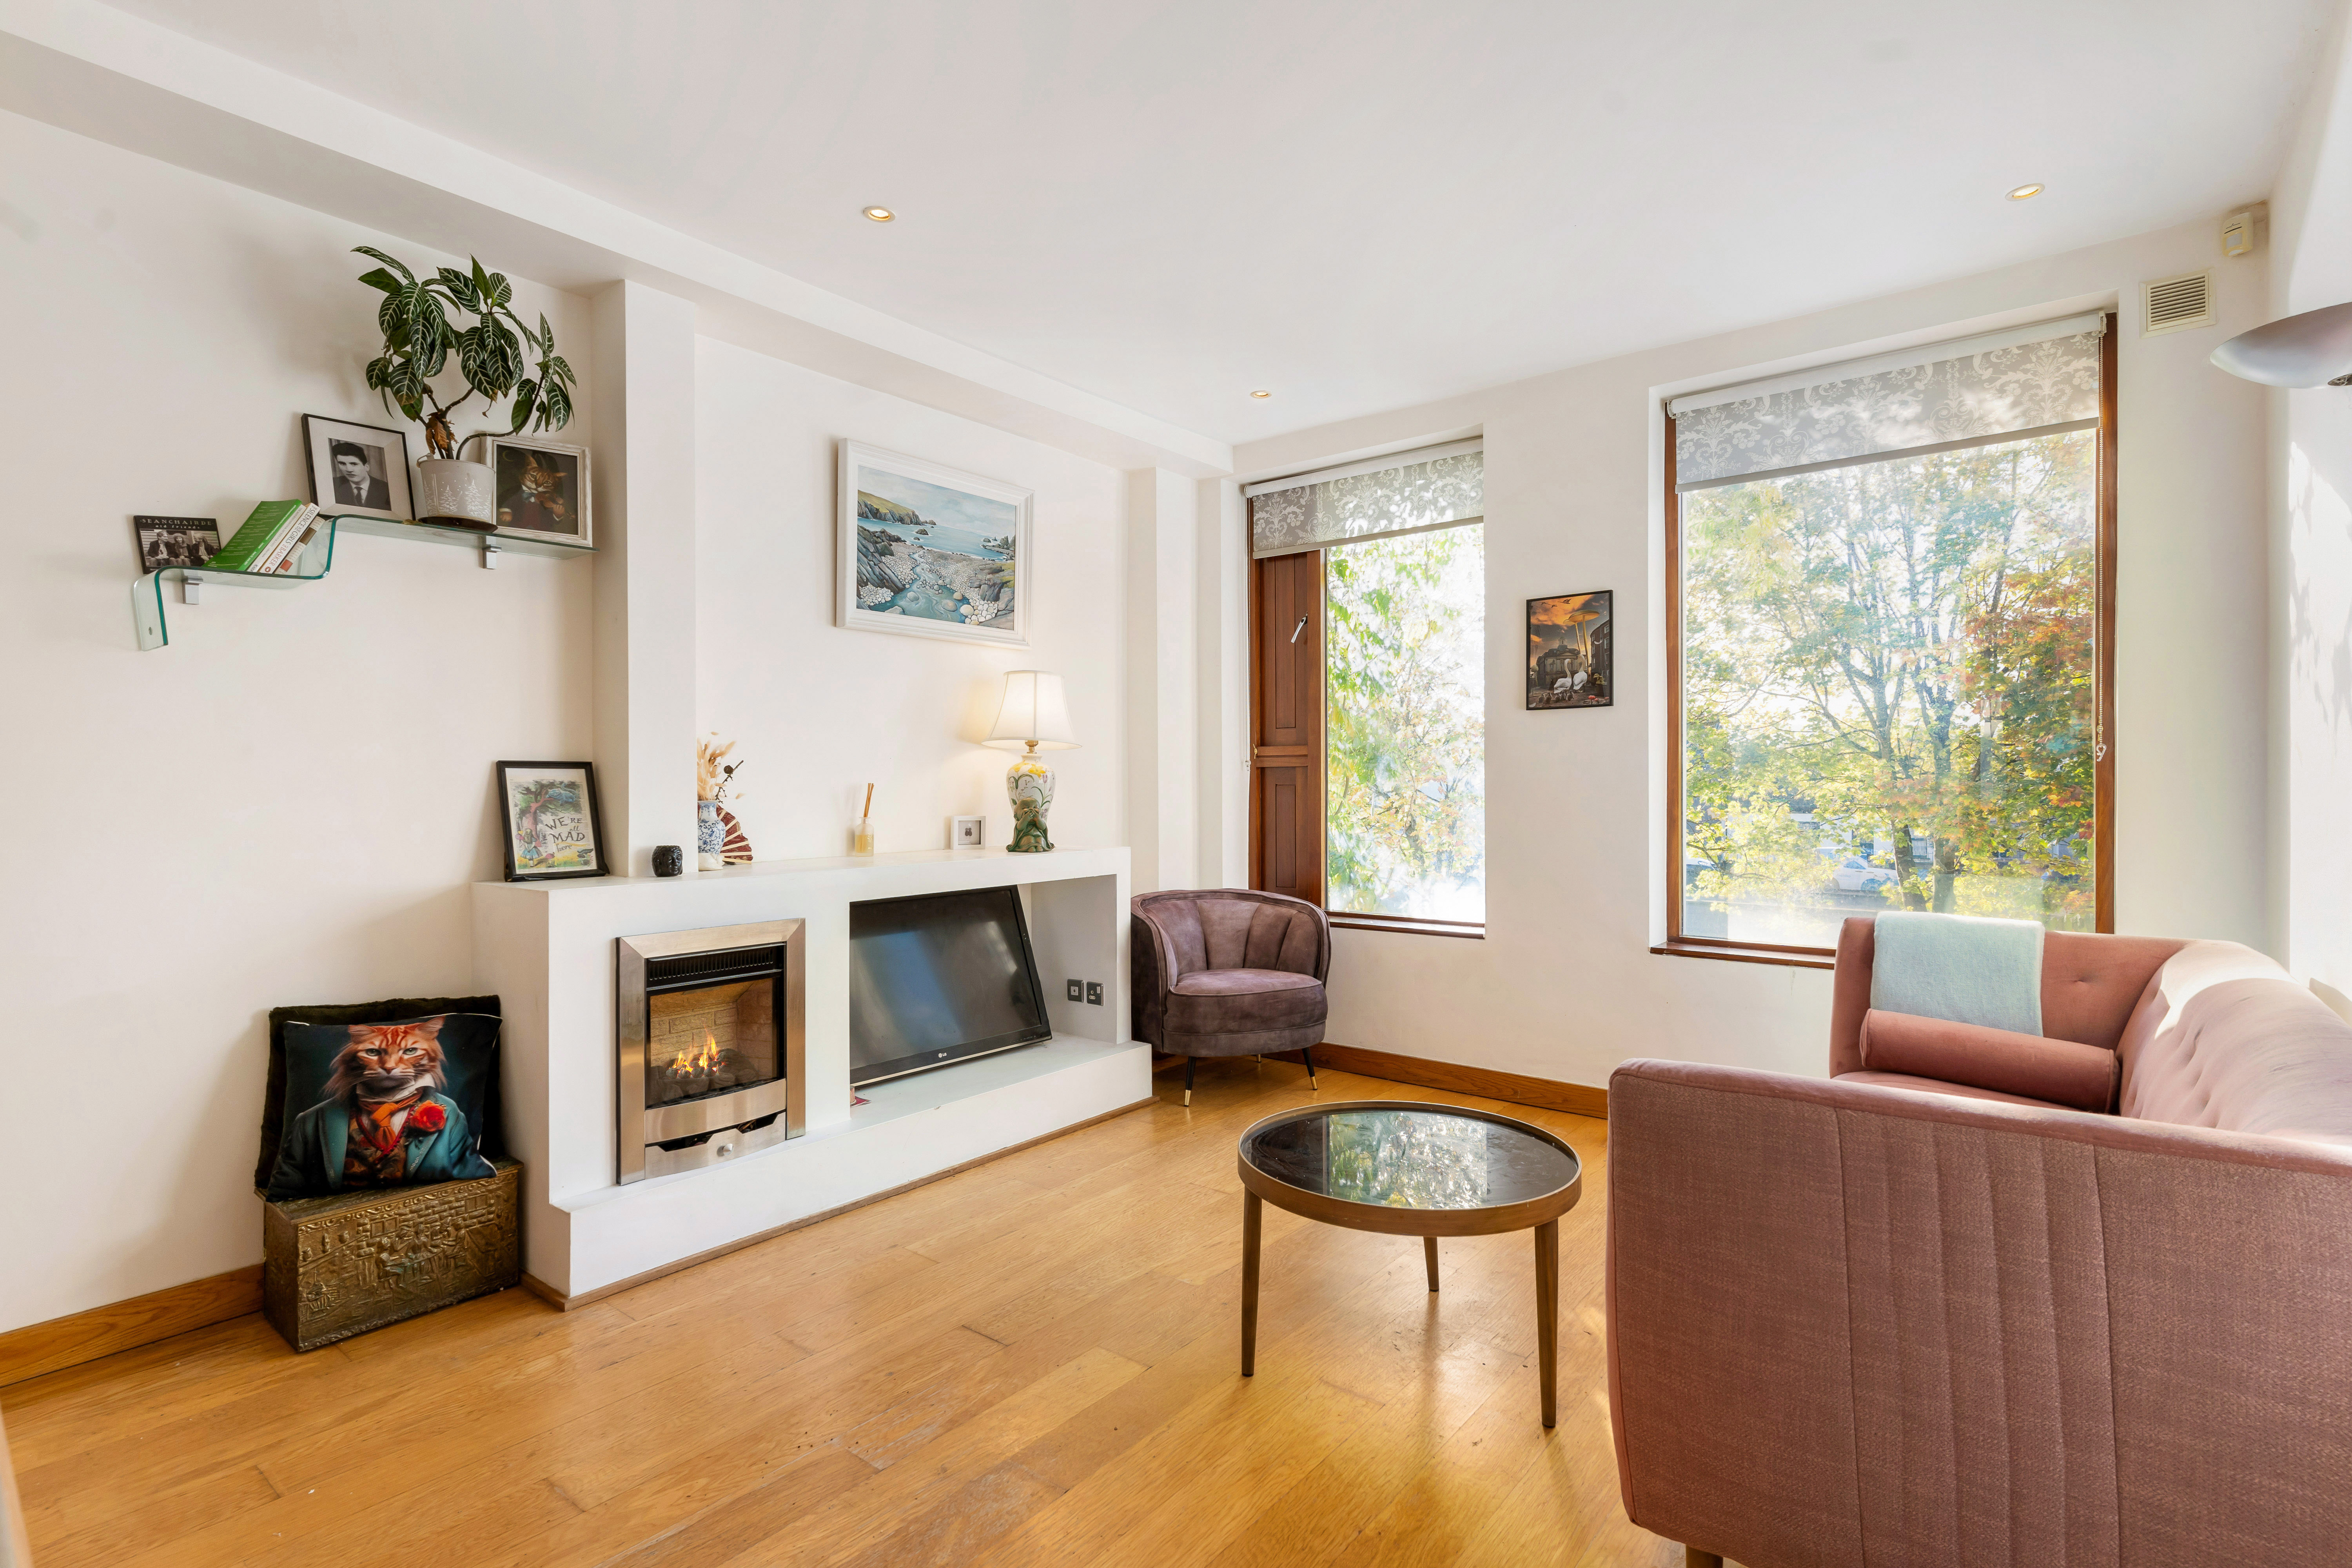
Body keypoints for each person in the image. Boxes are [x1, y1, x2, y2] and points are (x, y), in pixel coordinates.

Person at [329, 441, 391, 509]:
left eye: (354, 464)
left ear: (367, 467)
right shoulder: (332, 485)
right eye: (343, 464)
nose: (349, 470)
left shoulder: (386, 489)